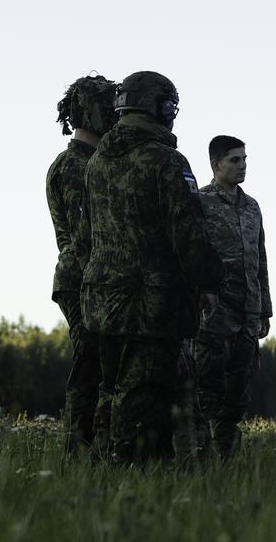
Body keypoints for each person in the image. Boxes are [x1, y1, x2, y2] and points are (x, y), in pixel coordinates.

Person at [77, 71, 223, 463]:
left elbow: (84, 237)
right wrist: (210, 281)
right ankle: (134, 483)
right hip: (149, 305)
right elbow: (189, 235)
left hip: (100, 301)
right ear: (163, 109)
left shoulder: (95, 164)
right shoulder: (166, 161)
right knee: (143, 399)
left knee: (111, 391)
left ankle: (99, 474)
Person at [46, 74, 118, 455]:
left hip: (94, 279)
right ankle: (78, 450)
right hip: (82, 279)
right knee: (89, 365)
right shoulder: (74, 165)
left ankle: (95, 448)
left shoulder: (92, 162)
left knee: (100, 365)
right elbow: (84, 231)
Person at [193, 135, 272, 459]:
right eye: (235, 160)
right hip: (213, 313)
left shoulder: (252, 206)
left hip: (248, 310)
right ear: (216, 164)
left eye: (244, 159)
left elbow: (261, 259)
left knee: (239, 386)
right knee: (208, 384)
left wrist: (265, 308)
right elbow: (192, 254)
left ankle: (226, 454)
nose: (242, 166)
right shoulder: (200, 202)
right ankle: (200, 452)